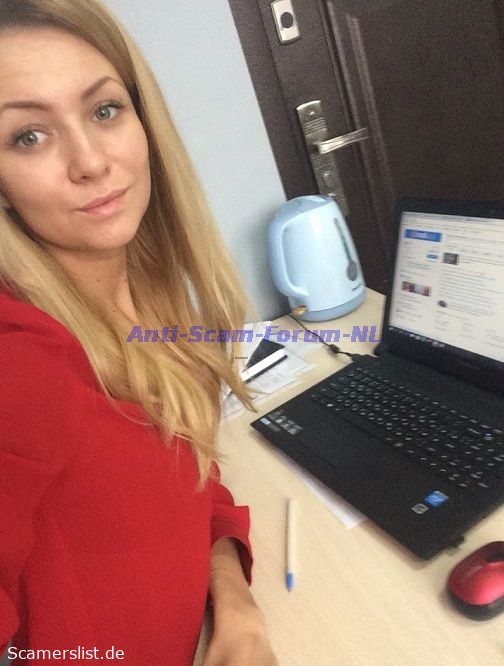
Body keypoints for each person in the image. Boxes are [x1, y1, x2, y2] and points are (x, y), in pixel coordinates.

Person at [0, 1, 277, 664]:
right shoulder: (20, 360)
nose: (92, 162)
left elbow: (191, 486)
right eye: (28, 136)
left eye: (104, 110)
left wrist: (236, 605)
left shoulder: (149, 303)